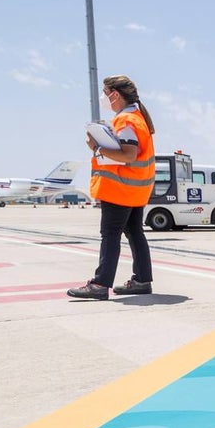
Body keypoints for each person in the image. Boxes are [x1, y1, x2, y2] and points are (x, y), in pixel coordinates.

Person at [68, 75, 157, 300]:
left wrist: (97, 147)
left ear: (115, 94)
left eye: (105, 92)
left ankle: (100, 285)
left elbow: (128, 154)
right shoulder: (137, 118)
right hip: (136, 188)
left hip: (121, 188)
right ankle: (141, 281)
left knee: (110, 234)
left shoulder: (126, 120)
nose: (103, 97)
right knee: (134, 232)